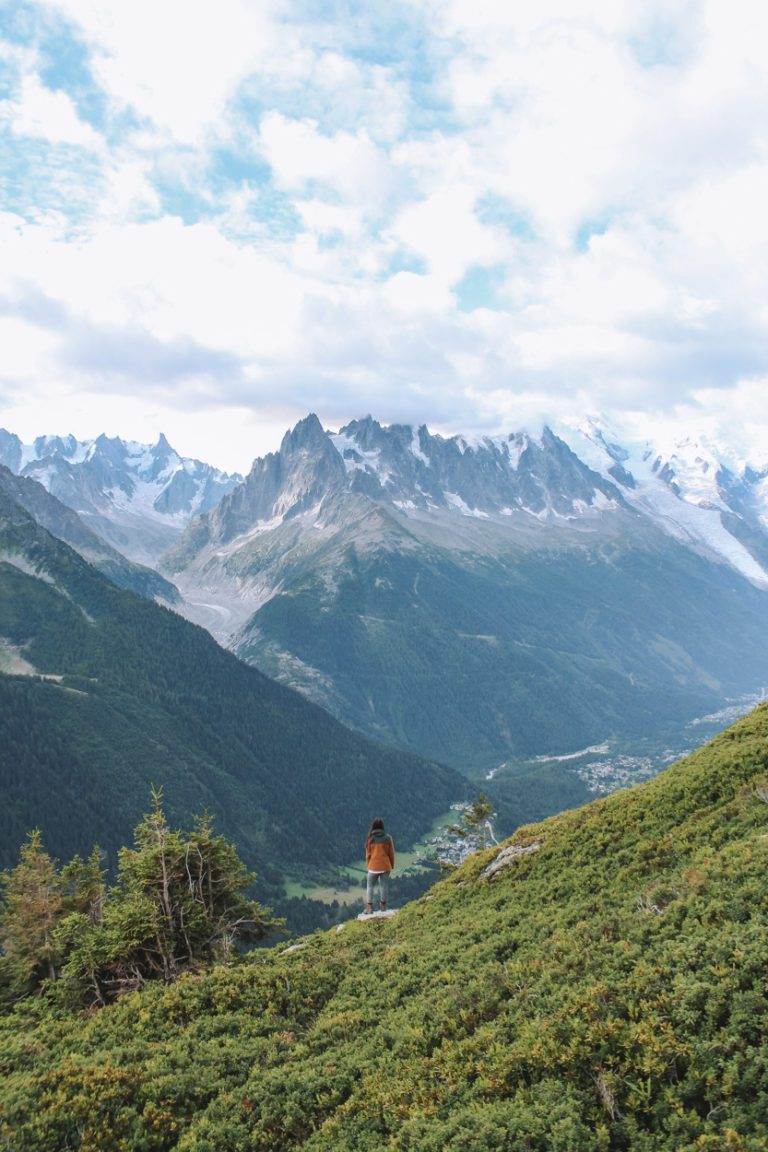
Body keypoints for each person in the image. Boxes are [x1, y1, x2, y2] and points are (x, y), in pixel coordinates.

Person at [364, 817, 395, 914]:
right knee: (384, 886)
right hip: (385, 866)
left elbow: (368, 855)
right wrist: (391, 865)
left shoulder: (370, 839)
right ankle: (383, 907)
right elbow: (391, 853)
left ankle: (369, 908)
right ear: (382, 827)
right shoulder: (388, 838)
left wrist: (369, 865)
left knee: (370, 886)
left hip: (373, 867)